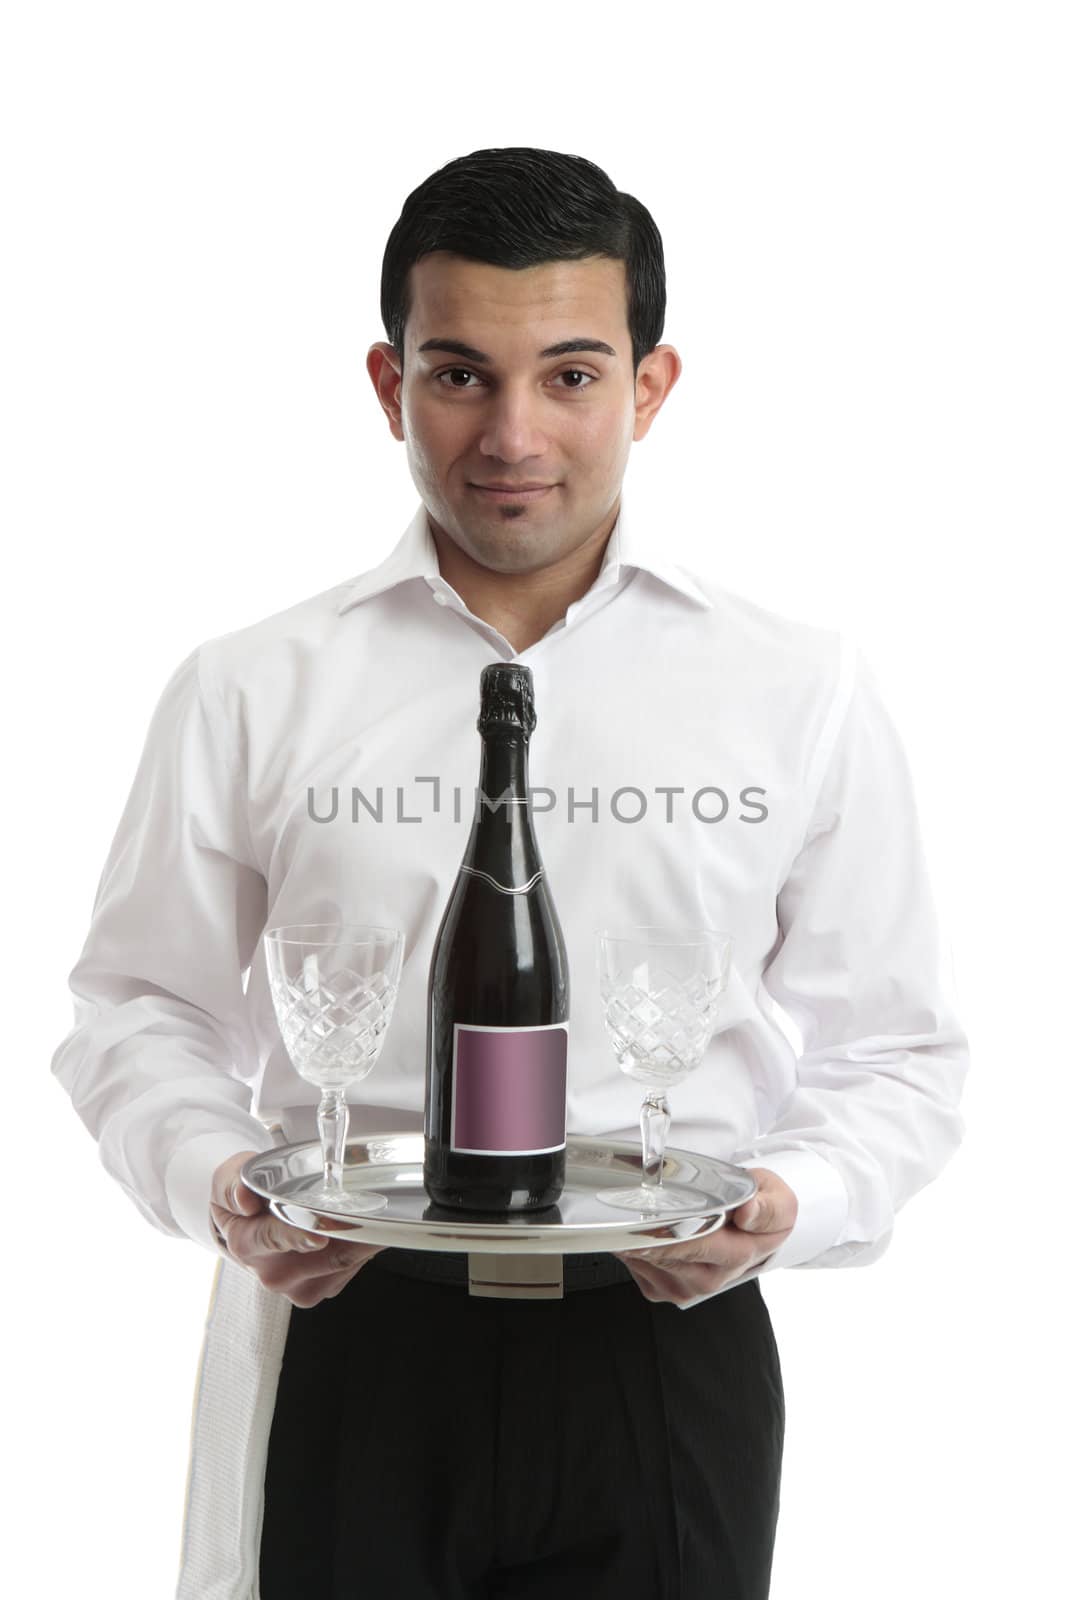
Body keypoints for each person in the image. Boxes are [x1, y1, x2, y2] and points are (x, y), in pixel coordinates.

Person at [51, 146, 969, 1599]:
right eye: (462, 373)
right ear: (388, 382)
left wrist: (796, 1195)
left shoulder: (796, 687)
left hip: (664, 1352)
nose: (513, 434)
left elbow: (901, 1049)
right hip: (354, 1339)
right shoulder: (253, 687)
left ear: (652, 387)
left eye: (573, 375)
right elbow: (136, 1006)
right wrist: (214, 1175)